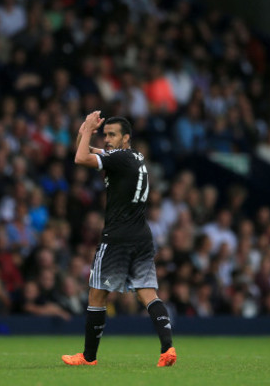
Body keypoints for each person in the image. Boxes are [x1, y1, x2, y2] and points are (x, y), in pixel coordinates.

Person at [62, 111, 176, 367]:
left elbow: (80, 158)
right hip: (141, 236)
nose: (108, 139)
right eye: (105, 135)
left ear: (126, 138)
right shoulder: (135, 157)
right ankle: (167, 349)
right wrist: (84, 133)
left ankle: (88, 357)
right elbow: (91, 150)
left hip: (117, 237)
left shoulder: (120, 157)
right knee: (148, 293)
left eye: (112, 135)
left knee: (97, 295)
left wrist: (87, 129)